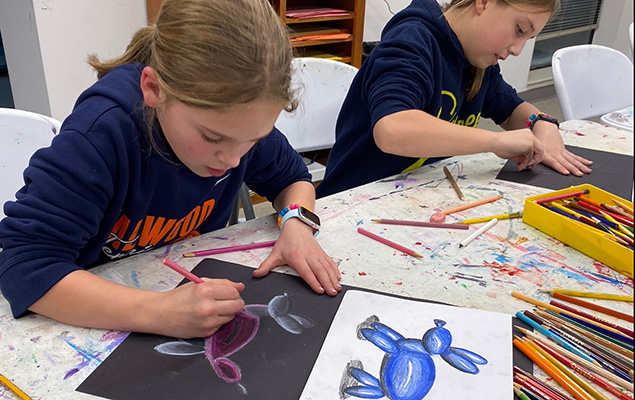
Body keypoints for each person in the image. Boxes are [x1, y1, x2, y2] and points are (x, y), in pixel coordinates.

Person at [0, 0, 341, 339]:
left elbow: (293, 179)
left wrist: (297, 223)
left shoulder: (238, 124)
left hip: (172, 277)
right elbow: (24, 266)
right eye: (212, 138)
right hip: (90, 316)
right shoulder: (100, 135)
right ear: (154, 89)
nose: (233, 160)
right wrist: (157, 311)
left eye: (254, 140)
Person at [316, 0, 593, 199]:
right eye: (519, 30)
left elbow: (511, 109)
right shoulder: (411, 42)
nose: (518, 50)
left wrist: (543, 123)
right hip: (354, 200)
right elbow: (392, 129)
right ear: (483, 3)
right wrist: (495, 141)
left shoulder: (478, 60)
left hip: (417, 195)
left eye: (529, 39)